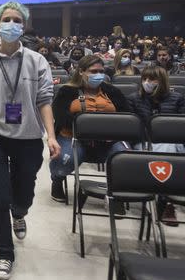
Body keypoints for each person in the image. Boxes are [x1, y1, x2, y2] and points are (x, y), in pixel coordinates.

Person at [0, 1, 60, 280]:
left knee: (23, 194)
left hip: (29, 138)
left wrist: (51, 136)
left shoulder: (37, 61)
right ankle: (4, 253)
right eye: (6, 19)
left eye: (16, 19)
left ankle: (19, 213)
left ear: (23, 25)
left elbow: (44, 100)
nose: (11, 24)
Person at [49, 55, 131, 203]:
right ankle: (57, 180)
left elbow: (127, 115)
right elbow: (62, 118)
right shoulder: (66, 91)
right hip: (73, 136)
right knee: (64, 160)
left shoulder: (111, 91)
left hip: (108, 140)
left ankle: (116, 192)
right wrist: (91, 125)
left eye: (101, 71)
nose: (98, 75)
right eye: (93, 72)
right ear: (81, 71)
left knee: (125, 159)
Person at [126, 65, 185, 226]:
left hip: (173, 144)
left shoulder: (177, 99)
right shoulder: (134, 99)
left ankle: (161, 200)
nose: (147, 82)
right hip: (143, 143)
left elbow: (181, 128)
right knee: (164, 152)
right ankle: (165, 201)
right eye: (144, 79)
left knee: (170, 148)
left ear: (162, 81)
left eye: (151, 79)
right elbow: (132, 129)